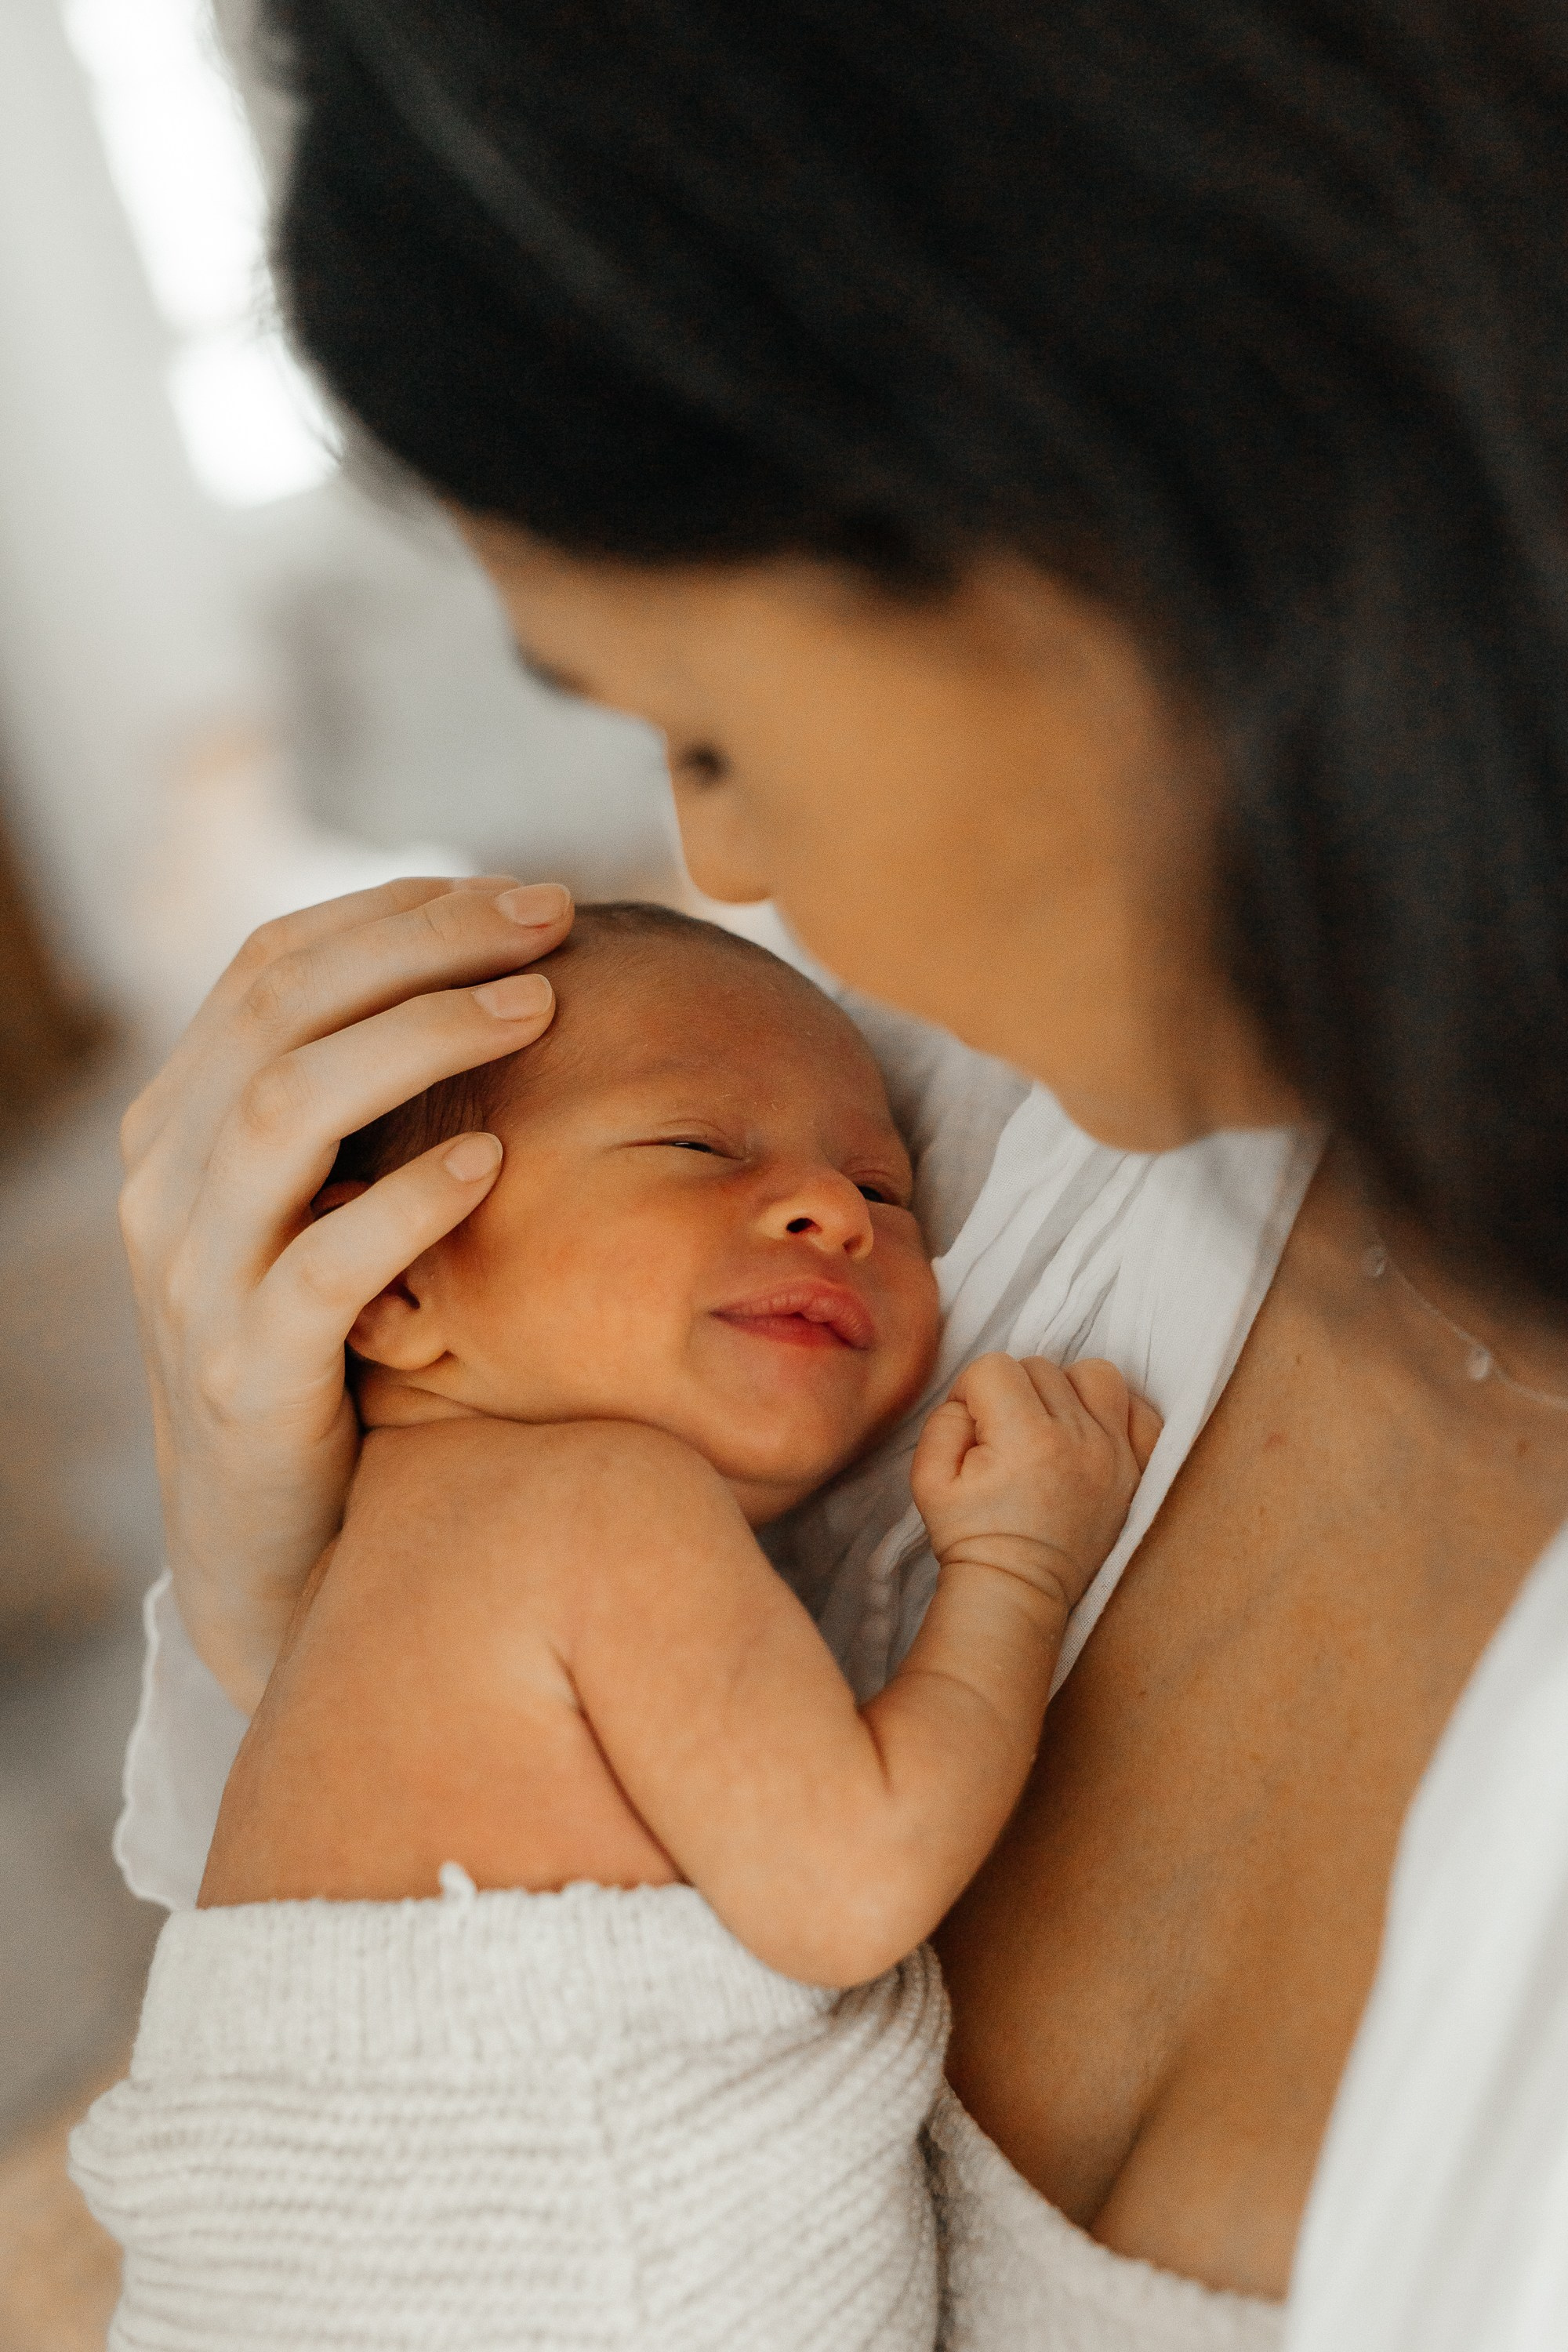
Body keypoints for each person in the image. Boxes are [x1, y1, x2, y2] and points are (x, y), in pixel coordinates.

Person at [111, 4, 1568, 2346]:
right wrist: (273, 1579)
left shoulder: (889, 1143)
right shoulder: (967, 1113)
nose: (721, 860)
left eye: (705, 720)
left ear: (1149, 525)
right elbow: (378, 2100)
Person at [76, 905, 1156, 2348]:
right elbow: (852, 1881)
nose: (831, 1212)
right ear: (394, 1279)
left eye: (885, 1191)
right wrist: (1020, 1563)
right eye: (701, 1149)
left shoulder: (367, 1569)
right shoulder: (593, 1495)